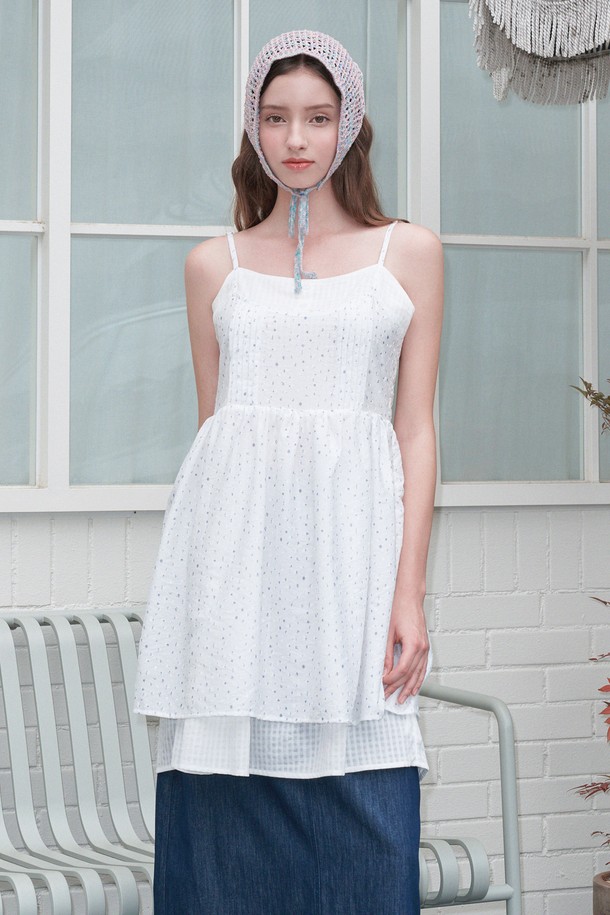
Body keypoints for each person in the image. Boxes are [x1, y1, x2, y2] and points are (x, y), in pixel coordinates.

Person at [133, 29, 444, 915]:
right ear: (252, 127)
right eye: (275, 118)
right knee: (220, 825)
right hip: (233, 583)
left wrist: (408, 592)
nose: (296, 139)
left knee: (368, 820)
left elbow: (415, 430)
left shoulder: (407, 253)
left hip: (352, 570)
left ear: (350, 124)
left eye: (317, 117)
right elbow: (216, 436)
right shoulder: (214, 265)